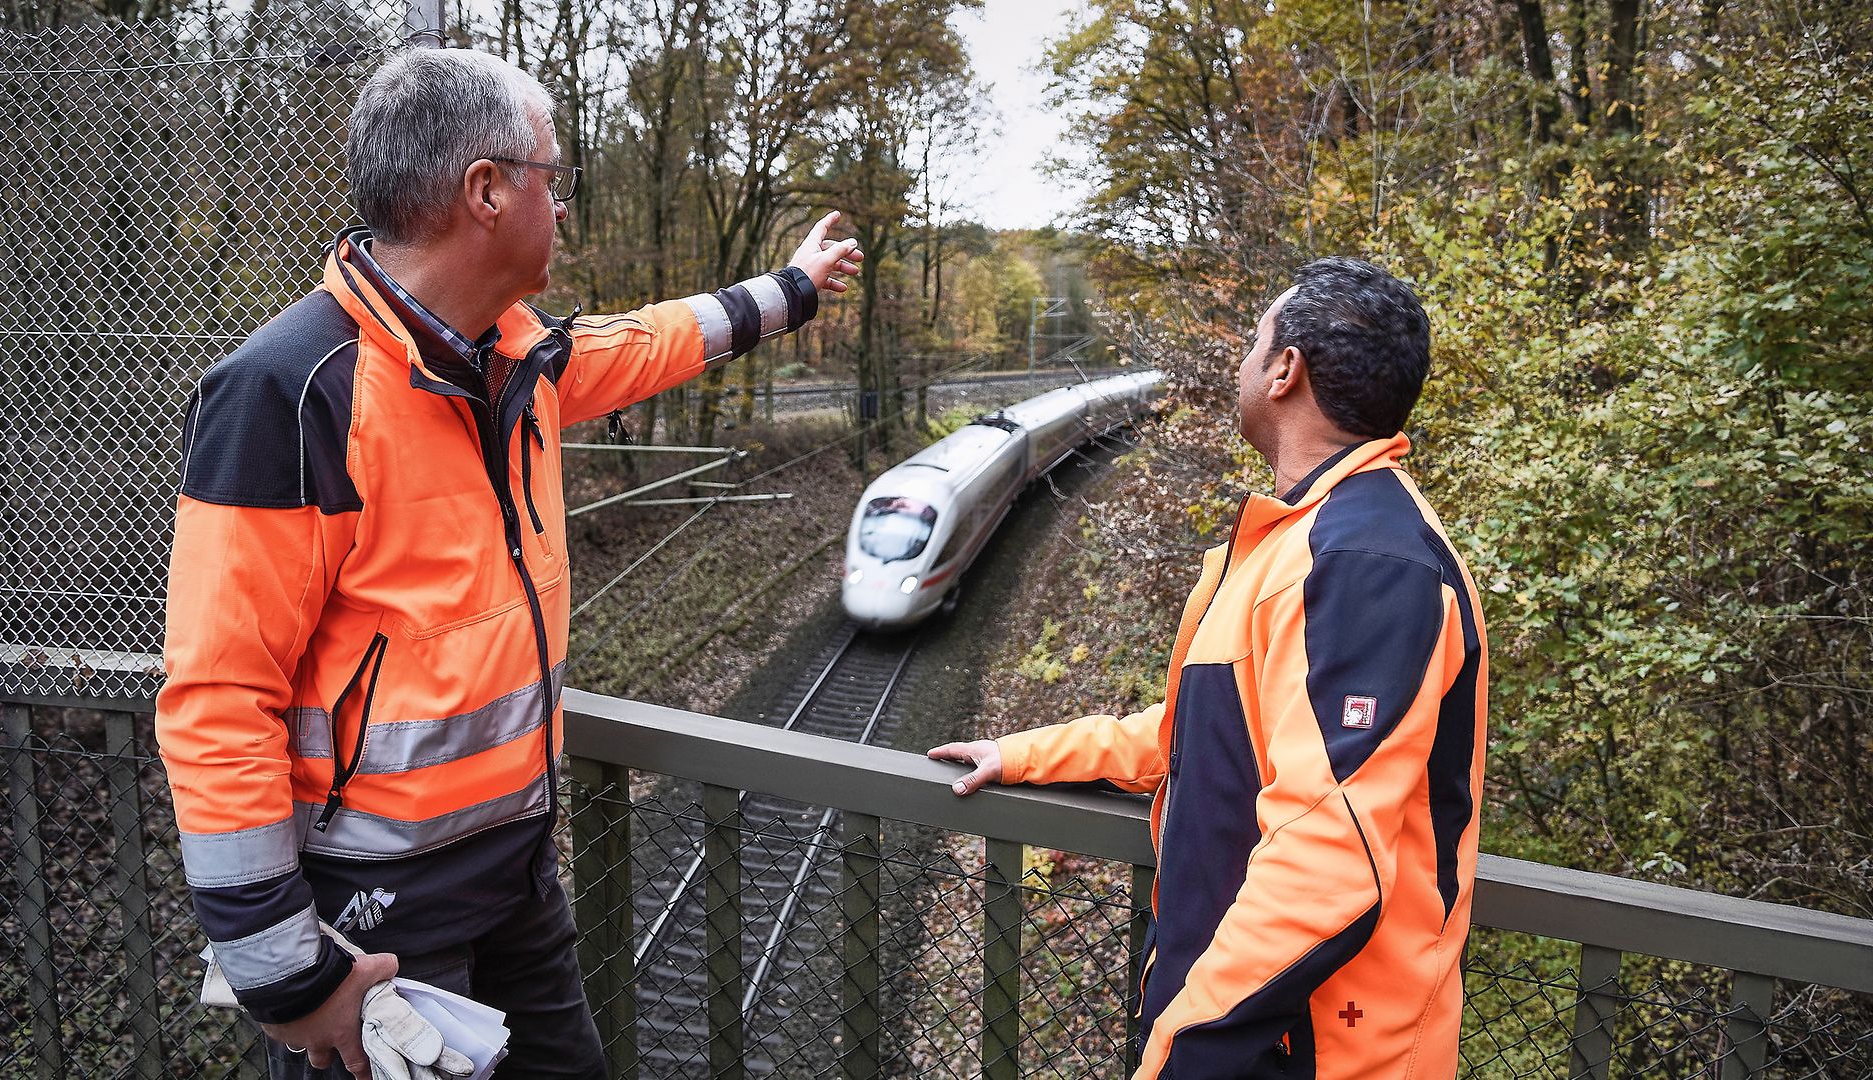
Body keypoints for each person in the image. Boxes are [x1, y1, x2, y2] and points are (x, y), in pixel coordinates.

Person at [155, 46, 862, 1079]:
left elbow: (650, 340)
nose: (563, 206)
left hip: (518, 872)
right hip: (378, 913)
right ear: (486, 191)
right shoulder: (290, 390)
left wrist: (792, 290)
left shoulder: (515, 360)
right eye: (553, 178)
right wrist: (286, 972)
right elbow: (219, 693)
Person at [930, 258, 1487, 1079]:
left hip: (1313, 1052)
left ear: (1285, 370)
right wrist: (1023, 757)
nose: (1241, 364)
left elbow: (1326, 861)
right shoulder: (1297, 542)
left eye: (1252, 342)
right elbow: (1202, 734)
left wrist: (1179, 1054)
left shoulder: (1369, 563)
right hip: (1245, 1030)